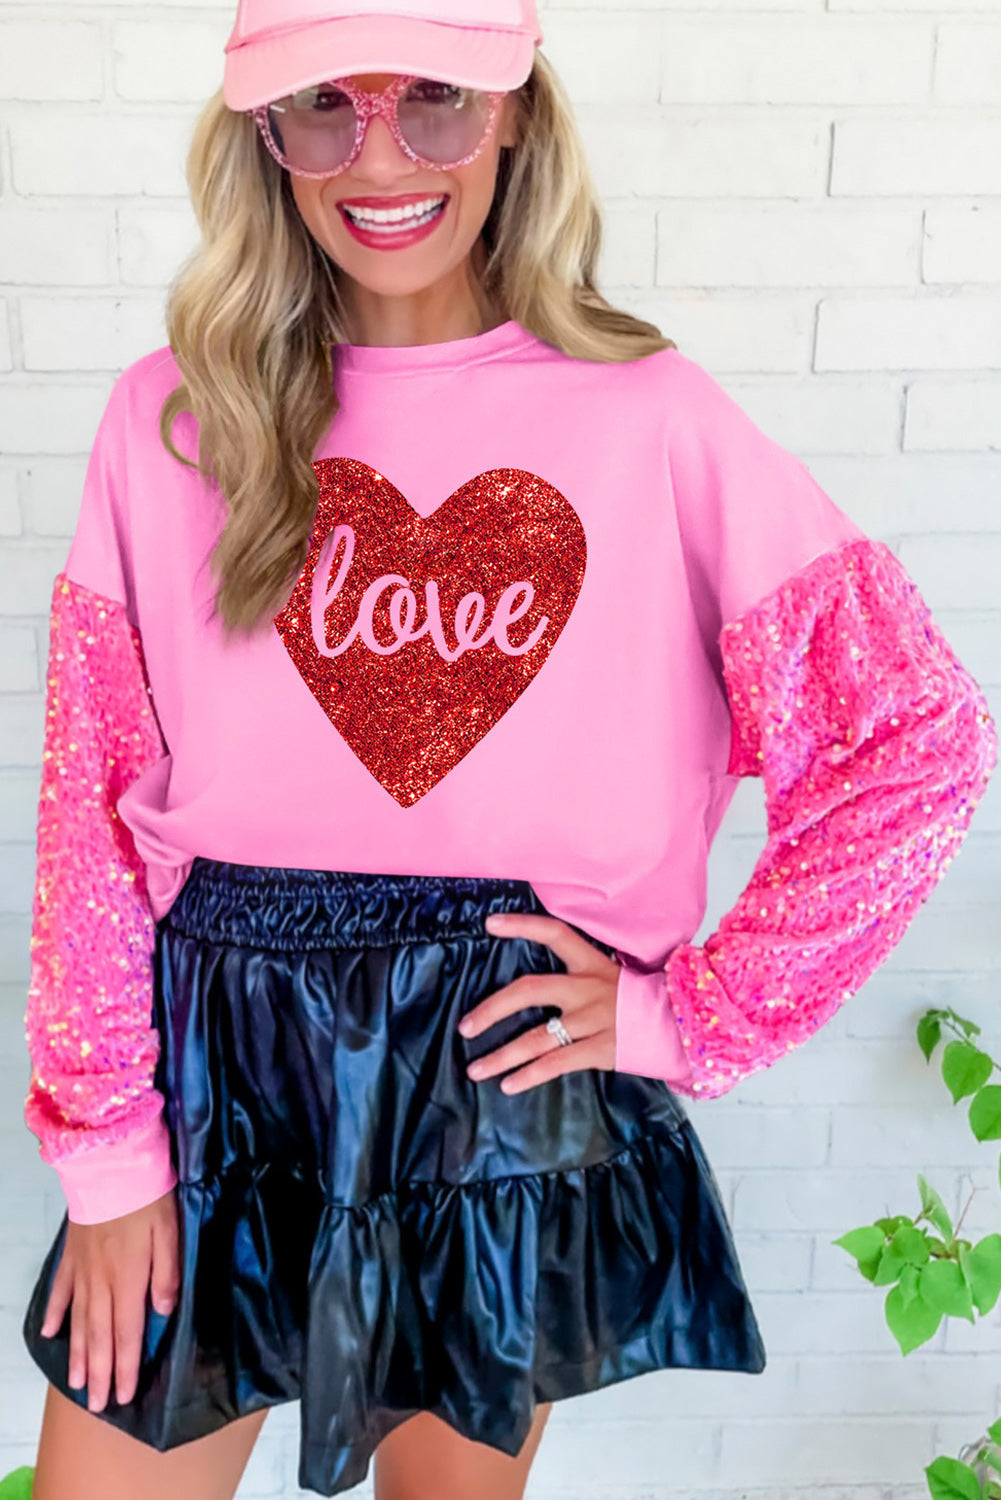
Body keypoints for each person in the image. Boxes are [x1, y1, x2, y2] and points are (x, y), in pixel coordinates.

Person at [19, 0, 998, 1495]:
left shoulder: (652, 419)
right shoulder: (174, 419)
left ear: (517, 112)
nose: (379, 156)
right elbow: (90, 804)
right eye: (323, 106)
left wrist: (696, 1016)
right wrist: (106, 1153)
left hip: (495, 1064)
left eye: (435, 97)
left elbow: (912, 733)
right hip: (219, 1061)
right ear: (263, 136)